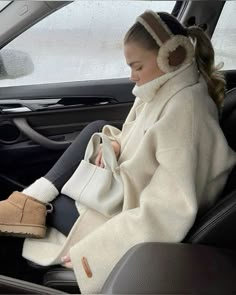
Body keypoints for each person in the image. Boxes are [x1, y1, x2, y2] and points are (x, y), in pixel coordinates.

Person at [0, 10, 235, 294]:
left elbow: (168, 210)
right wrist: (116, 143)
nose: (132, 76)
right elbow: (141, 136)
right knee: (98, 128)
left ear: (171, 56)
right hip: (124, 188)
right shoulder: (162, 88)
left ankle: (28, 205)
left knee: (43, 214)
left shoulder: (186, 113)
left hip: (126, 211)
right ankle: (27, 203)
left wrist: (97, 253)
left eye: (137, 66)